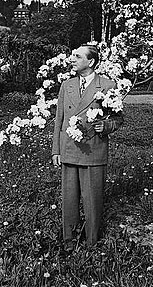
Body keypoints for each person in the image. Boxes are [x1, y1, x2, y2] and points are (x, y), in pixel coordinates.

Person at [52, 44, 123, 249]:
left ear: (90, 62)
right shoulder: (67, 85)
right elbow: (59, 120)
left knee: (92, 199)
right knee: (69, 199)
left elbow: (119, 118)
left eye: (77, 56)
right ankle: (69, 241)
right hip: (69, 149)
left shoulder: (108, 85)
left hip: (93, 150)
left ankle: (92, 243)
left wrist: (106, 126)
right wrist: (56, 150)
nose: (71, 59)